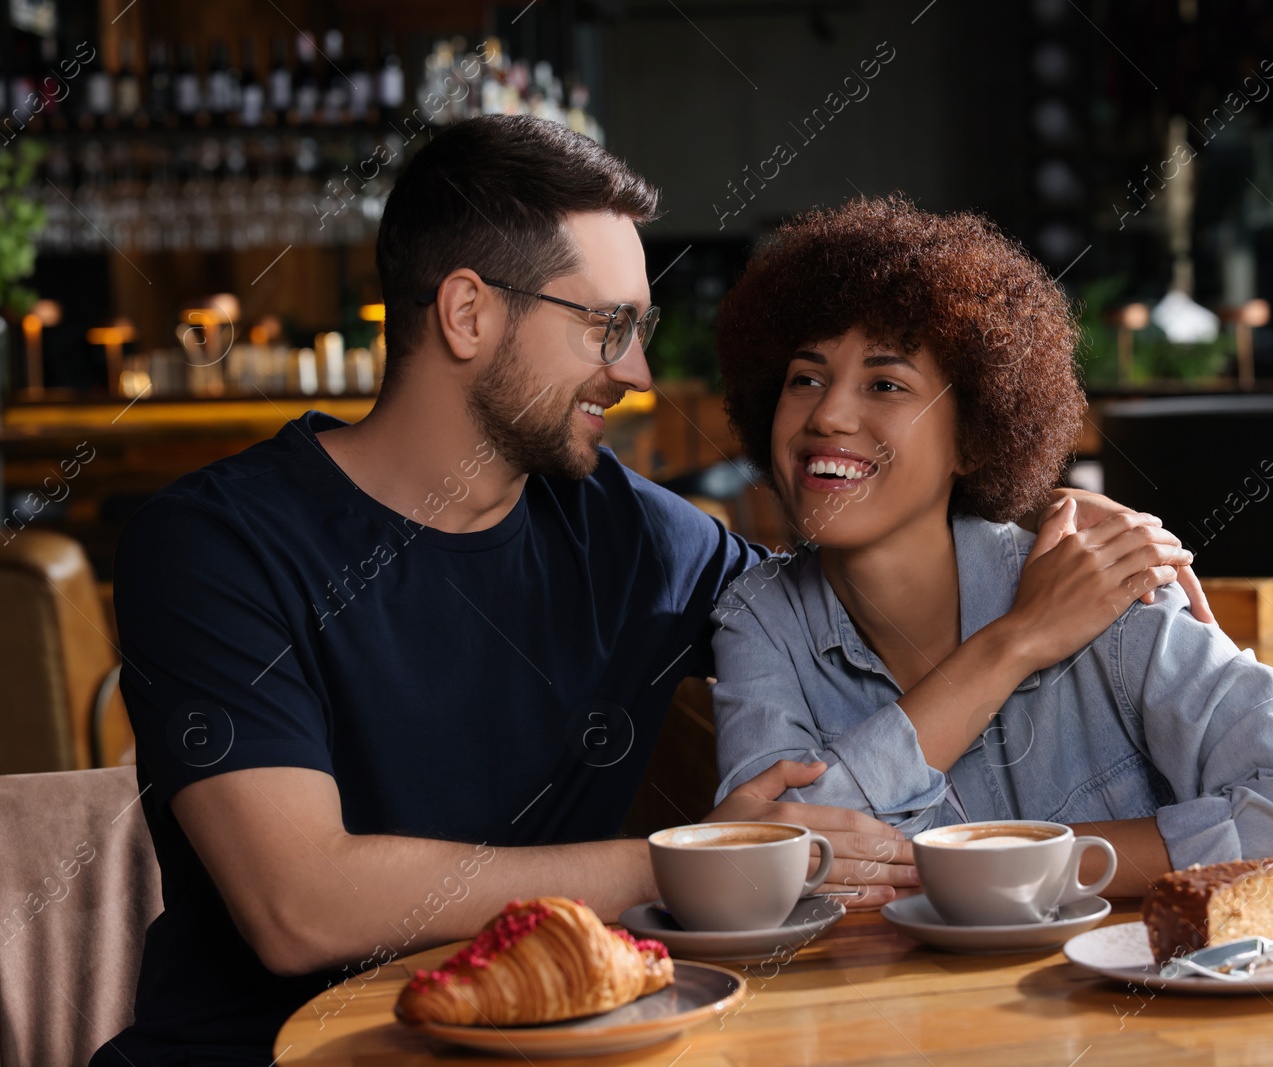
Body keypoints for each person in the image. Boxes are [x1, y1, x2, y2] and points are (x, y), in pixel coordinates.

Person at [93, 120, 1204, 1066]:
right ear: (469, 314)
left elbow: (848, 593)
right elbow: (302, 905)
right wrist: (696, 853)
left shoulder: (633, 537)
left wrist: (1044, 521)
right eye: (605, 326)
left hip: (566, 1045)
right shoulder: (214, 544)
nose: (632, 373)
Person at [710, 197, 1273, 904]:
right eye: (805, 378)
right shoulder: (761, 615)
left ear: (974, 437)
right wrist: (1016, 640)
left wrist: (1007, 865)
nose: (828, 413)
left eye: (885, 384)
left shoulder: (1101, 577)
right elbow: (755, 867)